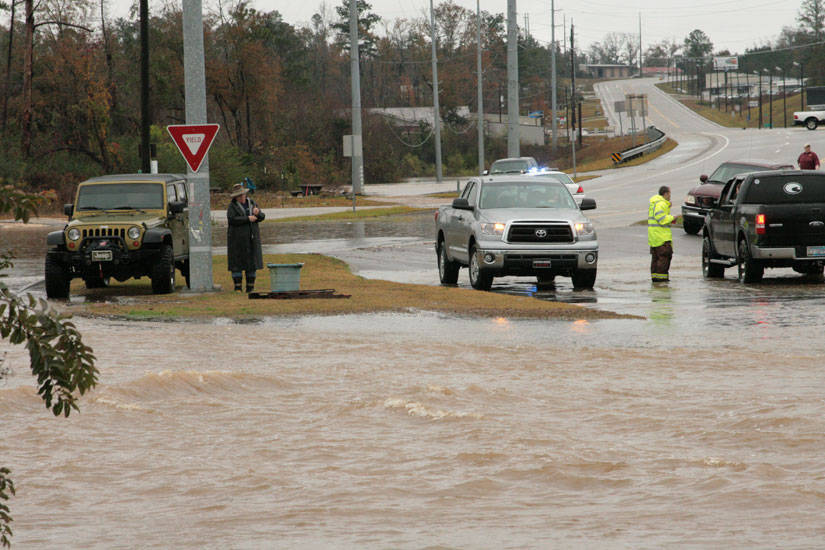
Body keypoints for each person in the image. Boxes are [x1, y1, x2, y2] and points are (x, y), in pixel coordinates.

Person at [226, 183, 265, 292]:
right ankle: (237, 287)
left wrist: (258, 213)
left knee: (252, 265)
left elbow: (262, 217)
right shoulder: (232, 206)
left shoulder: (252, 203)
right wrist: (247, 219)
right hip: (236, 241)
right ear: (235, 197)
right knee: (237, 265)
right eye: (239, 196)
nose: (242, 197)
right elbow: (232, 219)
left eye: (242, 195)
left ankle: (250, 287)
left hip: (252, 240)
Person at [648, 185, 678, 282]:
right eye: (669, 194)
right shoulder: (661, 204)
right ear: (665, 194)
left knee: (656, 259)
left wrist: (668, 206)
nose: (670, 196)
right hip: (661, 237)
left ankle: (655, 279)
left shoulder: (656, 203)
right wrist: (672, 217)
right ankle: (662, 281)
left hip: (654, 237)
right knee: (664, 258)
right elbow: (661, 218)